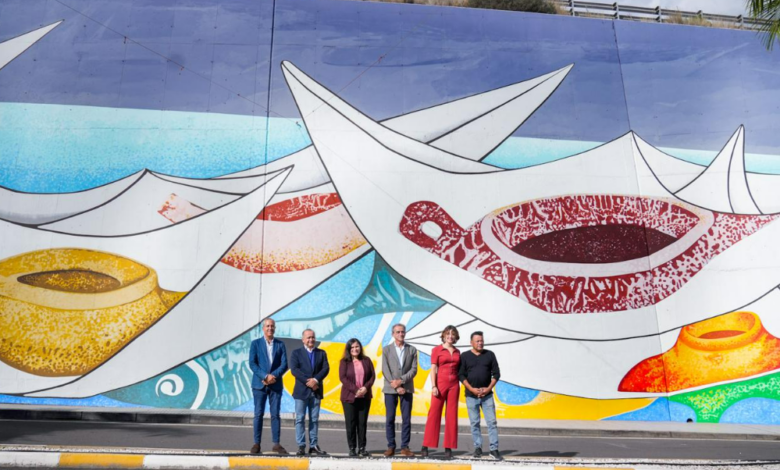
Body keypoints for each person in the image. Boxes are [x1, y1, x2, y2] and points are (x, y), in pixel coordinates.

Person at [458, 331, 502, 460]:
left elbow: (497, 374)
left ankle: (494, 449)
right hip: (471, 396)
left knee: (492, 422)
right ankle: (478, 448)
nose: (480, 343)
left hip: (487, 396)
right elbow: (461, 375)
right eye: (477, 341)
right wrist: (471, 389)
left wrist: (488, 389)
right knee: (475, 423)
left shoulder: (490, 354)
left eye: (482, 340)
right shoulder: (465, 356)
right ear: (471, 342)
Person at [248, 318, 288, 455]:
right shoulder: (255, 344)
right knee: (258, 414)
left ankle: (276, 444)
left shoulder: (280, 345)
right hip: (259, 385)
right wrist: (265, 376)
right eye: (267, 326)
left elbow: (284, 364)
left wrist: (272, 376)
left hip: (275, 385)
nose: (270, 328)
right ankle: (256, 443)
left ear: (275, 328)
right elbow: (252, 363)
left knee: (275, 414)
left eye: (272, 326)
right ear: (263, 328)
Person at [421, 325, 461, 459]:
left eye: (453, 334)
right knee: (434, 413)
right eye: (448, 334)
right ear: (443, 336)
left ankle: (448, 447)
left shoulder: (457, 351)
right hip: (440, 383)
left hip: (454, 385)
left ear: (455, 337)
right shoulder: (437, 350)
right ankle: (426, 444)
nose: (450, 336)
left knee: (452, 415)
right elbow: (433, 369)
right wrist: (434, 386)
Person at [290, 329, 330, 456]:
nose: (311, 339)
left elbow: (326, 368)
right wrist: (309, 381)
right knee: (300, 419)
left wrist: (316, 380)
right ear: (303, 340)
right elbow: (294, 370)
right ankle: (301, 445)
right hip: (301, 391)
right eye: (308, 337)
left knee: (314, 419)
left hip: (316, 391)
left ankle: (313, 445)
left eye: (312, 337)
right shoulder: (296, 353)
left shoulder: (321, 353)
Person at [381, 323, 418, 457]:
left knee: (406, 419)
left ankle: (404, 447)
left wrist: (401, 381)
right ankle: (391, 446)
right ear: (393, 334)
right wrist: (396, 386)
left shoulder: (412, 350)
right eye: (398, 332)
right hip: (390, 389)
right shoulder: (386, 350)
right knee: (390, 418)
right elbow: (385, 369)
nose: (401, 334)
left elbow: (414, 370)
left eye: (402, 332)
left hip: (406, 388)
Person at [339, 338, 375, 457]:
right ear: (349, 349)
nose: (355, 349)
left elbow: (372, 376)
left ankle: (362, 448)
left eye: (357, 346)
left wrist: (365, 388)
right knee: (351, 423)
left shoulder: (366, 360)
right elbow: (343, 378)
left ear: (360, 347)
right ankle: (352, 448)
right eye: (352, 347)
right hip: (349, 397)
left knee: (362, 423)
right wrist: (356, 390)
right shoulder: (344, 362)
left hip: (364, 397)